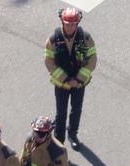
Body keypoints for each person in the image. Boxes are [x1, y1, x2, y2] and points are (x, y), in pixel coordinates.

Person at [46, 7, 97, 150]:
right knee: (61, 113)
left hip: (79, 85)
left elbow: (92, 60)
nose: (70, 27)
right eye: (68, 24)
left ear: (78, 23)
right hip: (62, 84)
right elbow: (49, 61)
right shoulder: (53, 39)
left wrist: (79, 79)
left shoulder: (86, 38)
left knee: (76, 109)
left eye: (73, 24)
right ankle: (59, 140)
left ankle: (73, 135)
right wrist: (66, 79)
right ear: (62, 22)